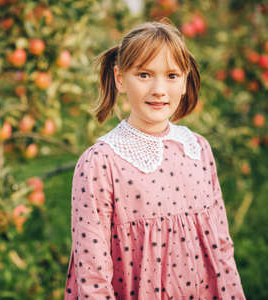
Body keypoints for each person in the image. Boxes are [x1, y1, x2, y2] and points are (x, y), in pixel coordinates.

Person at [64, 19, 246, 299]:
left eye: (172, 76)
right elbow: (92, 274)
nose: (159, 89)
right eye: (145, 75)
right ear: (120, 78)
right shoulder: (100, 163)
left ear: (185, 81)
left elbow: (221, 247)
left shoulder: (197, 149)